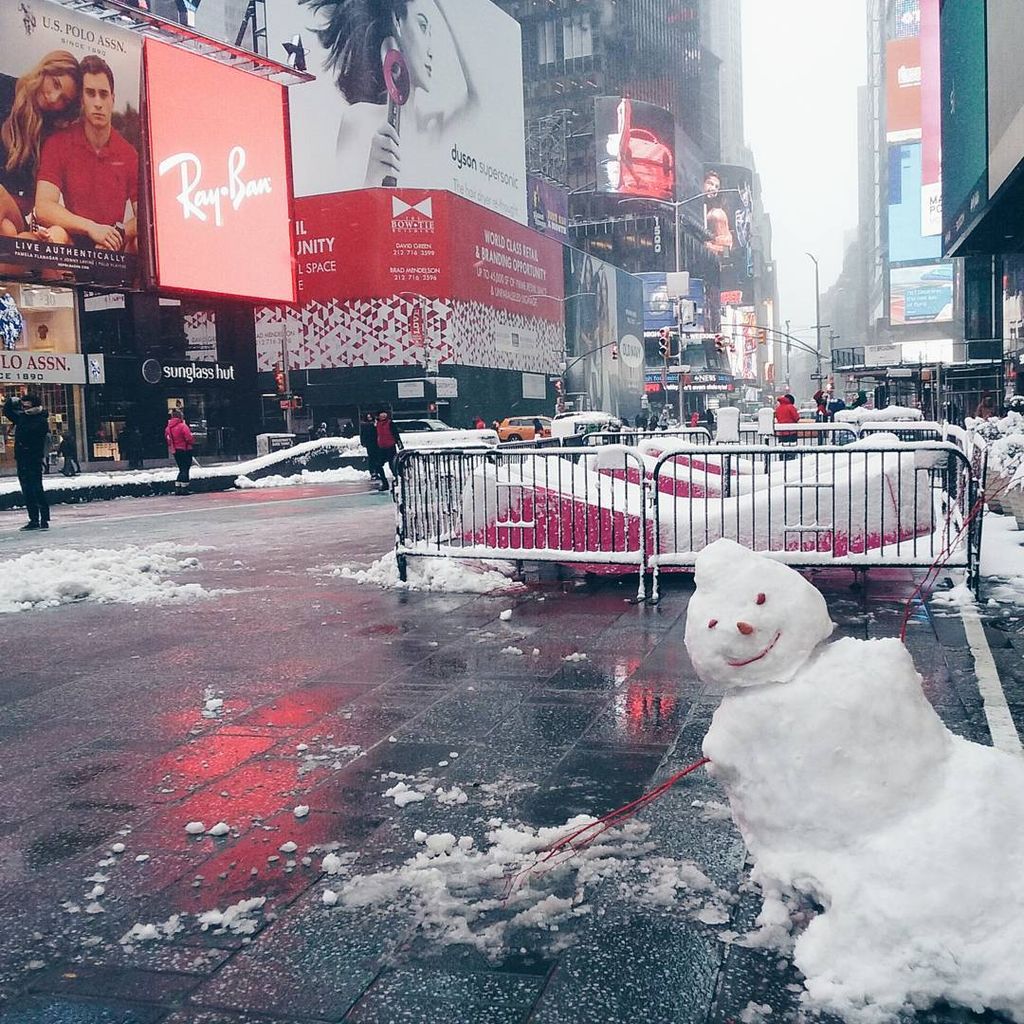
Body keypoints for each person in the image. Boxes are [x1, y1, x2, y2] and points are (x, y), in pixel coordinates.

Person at [304, 0, 477, 189]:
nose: (431, 50)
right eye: (422, 26)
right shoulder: (359, 119)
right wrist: (373, 178)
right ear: (397, 22)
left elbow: (481, 98)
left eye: (432, 34)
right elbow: (344, 211)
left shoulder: (435, 128)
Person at [34, 55, 138, 252]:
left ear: (112, 99)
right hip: (74, 244)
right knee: (55, 233)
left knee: (140, 243)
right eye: (91, 93)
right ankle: (62, 284)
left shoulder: (128, 154)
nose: (98, 103)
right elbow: (44, 206)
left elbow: (145, 217)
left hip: (111, 247)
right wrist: (91, 228)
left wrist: (118, 234)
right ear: (81, 99)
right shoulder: (59, 143)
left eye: (103, 94)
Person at [0, 51, 81, 239]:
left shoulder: (50, 131)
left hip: (16, 213)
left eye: (64, 99)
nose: (54, 99)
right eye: (55, 84)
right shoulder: (4, 89)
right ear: (45, 70)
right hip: (9, 225)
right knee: (7, 231)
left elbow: (30, 202)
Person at [3, 392, 50, 530]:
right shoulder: (23, 417)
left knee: (36, 488)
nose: (23, 407)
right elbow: (7, 412)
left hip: (33, 458)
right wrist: (11, 400)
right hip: (22, 458)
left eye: (26, 404)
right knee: (27, 490)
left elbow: (34, 434)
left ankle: (44, 518)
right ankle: (34, 519)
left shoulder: (40, 419)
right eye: (22, 405)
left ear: (33, 404)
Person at [165, 408, 194, 494]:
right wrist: (192, 441)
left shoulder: (168, 428)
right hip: (185, 449)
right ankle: (184, 487)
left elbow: (168, 439)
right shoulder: (182, 426)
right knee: (185, 468)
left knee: (181, 468)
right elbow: (189, 437)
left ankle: (178, 487)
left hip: (175, 450)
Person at [375, 410, 402, 490]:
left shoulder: (390, 423)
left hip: (390, 447)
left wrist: (399, 443)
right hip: (381, 448)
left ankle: (397, 482)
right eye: (381, 414)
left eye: (384, 414)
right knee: (378, 465)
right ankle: (385, 483)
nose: (383, 415)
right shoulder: (376, 424)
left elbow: (396, 434)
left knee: (392, 466)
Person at [359, 412, 383, 488]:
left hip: (376, 443)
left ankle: (376, 471)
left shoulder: (375, 424)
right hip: (370, 444)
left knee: (376, 458)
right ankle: (373, 472)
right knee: (372, 457)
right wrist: (363, 442)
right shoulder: (366, 425)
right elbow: (363, 435)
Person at [774, 393, 801, 460]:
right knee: (791, 449)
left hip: (781, 432)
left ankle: (782, 461)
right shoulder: (790, 407)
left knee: (782, 449)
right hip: (791, 432)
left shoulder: (778, 408)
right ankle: (791, 462)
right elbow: (797, 418)